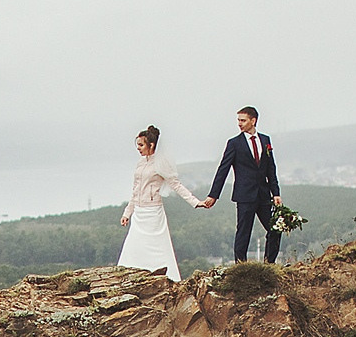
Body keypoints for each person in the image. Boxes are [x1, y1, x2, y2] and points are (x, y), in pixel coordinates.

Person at [118, 125, 203, 281]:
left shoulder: (161, 163)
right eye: (137, 145)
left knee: (158, 248)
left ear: (151, 145)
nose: (138, 148)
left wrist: (195, 202)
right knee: (133, 246)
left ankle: (166, 278)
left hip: (153, 212)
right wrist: (127, 213)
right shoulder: (140, 163)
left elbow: (176, 184)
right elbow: (135, 190)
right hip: (139, 212)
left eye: (141, 145)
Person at [200, 106, 283, 263]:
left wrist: (276, 192)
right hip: (244, 195)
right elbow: (223, 170)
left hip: (264, 195)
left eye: (243, 120)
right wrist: (213, 195)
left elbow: (271, 168)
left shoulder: (265, 140)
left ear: (253, 121)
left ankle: (269, 263)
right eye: (238, 120)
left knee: (276, 229)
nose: (239, 123)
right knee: (243, 232)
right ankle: (240, 265)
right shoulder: (234, 143)